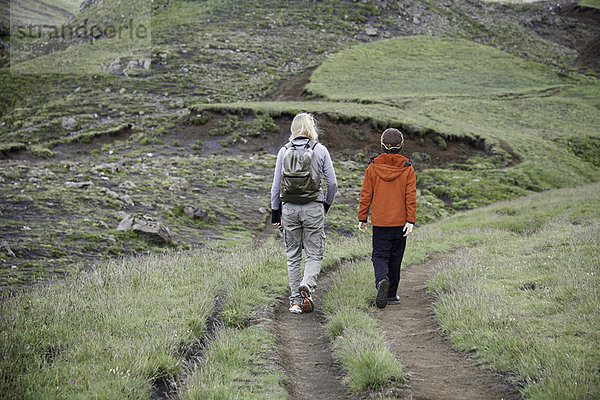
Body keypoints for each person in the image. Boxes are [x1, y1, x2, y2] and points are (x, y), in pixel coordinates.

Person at [270, 112, 337, 314]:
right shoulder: (320, 150)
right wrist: (325, 205)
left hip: (289, 208)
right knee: (314, 253)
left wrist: (276, 213)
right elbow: (332, 183)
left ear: (293, 129)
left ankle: (295, 302)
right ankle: (307, 284)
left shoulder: (283, 151)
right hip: (313, 207)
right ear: (311, 128)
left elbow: (276, 186)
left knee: (292, 256)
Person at [358, 128, 416, 309]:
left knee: (379, 256)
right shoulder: (408, 169)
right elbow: (411, 196)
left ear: (382, 145)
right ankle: (391, 295)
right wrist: (411, 220)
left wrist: (362, 217)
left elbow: (366, 194)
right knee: (396, 258)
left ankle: (382, 280)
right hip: (400, 223)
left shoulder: (372, 168)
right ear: (402, 146)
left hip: (380, 223)